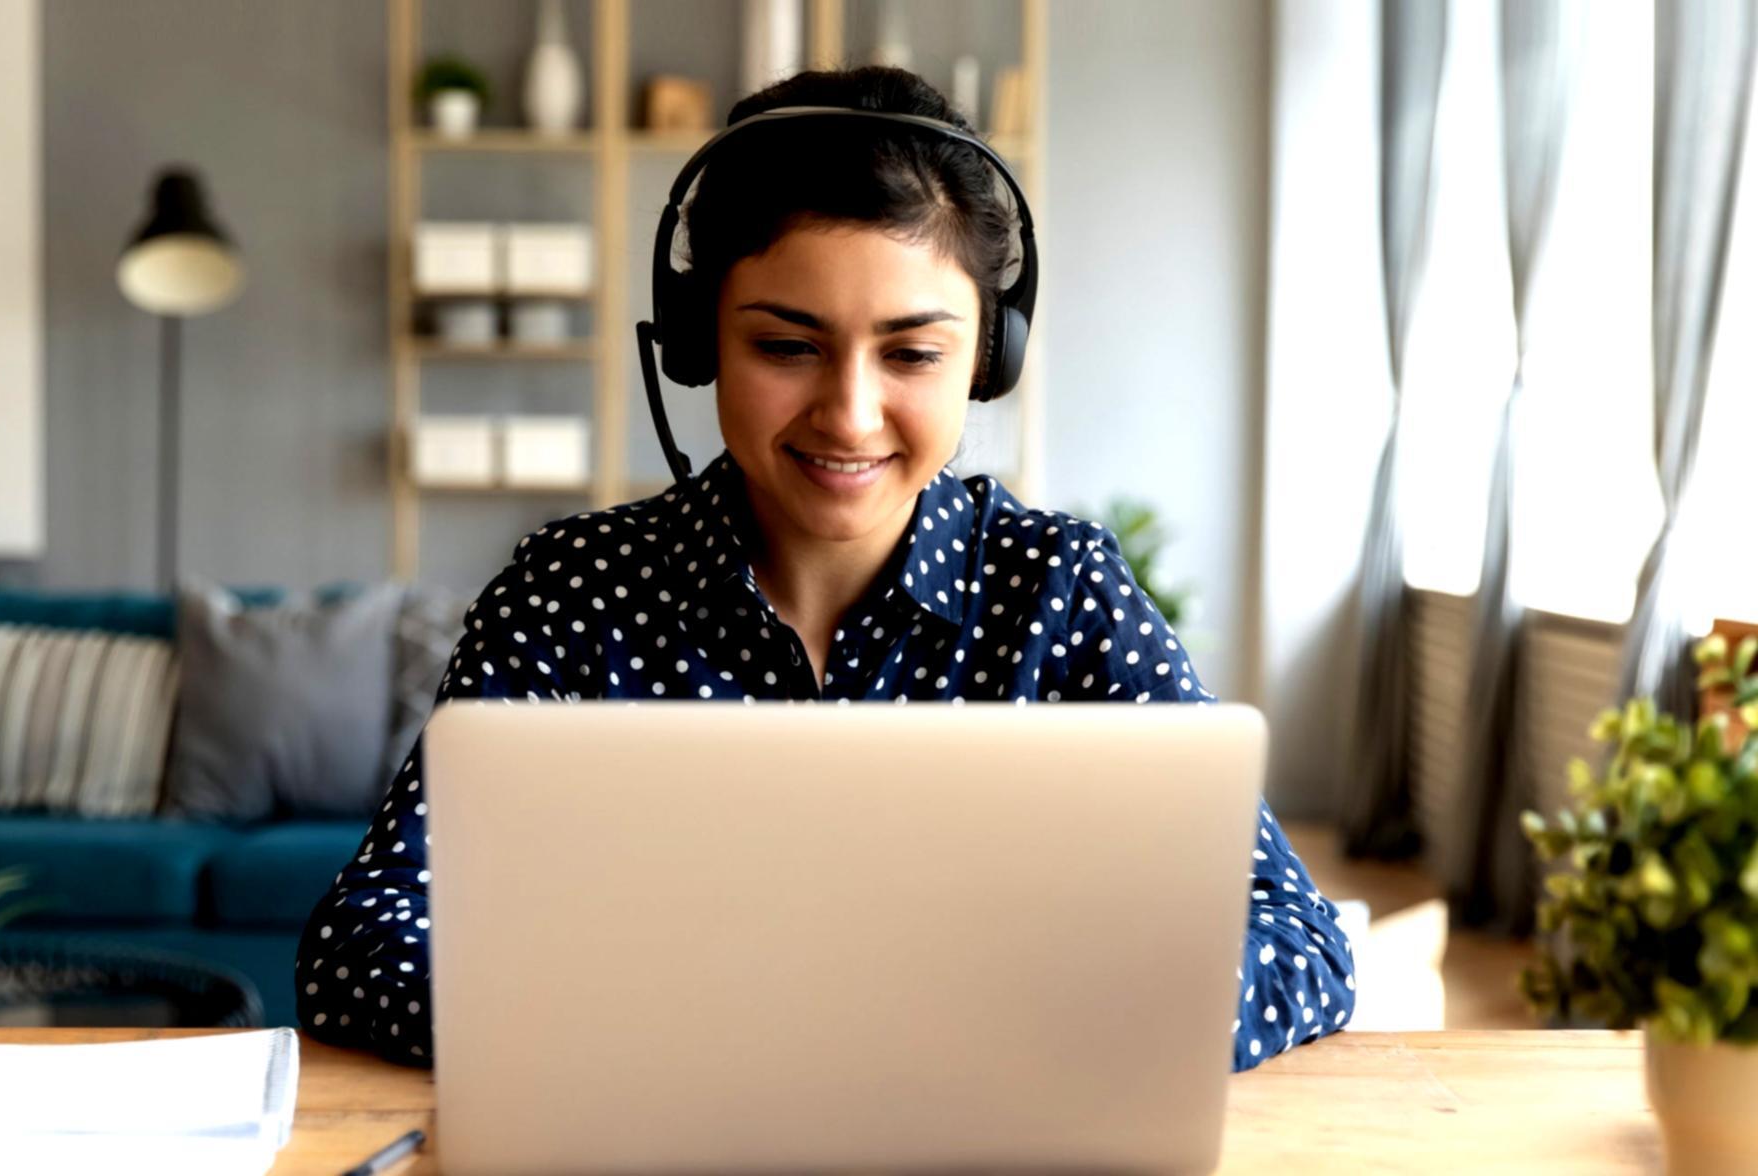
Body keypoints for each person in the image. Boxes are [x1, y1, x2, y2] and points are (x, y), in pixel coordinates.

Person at [296, 65, 1356, 1074]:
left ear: (990, 357)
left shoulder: (1058, 594)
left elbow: (1291, 935)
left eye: (912, 353)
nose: (850, 414)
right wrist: (701, 1037)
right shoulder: (571, 595)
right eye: (787, 346)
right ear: (696, 338)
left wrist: (1008, 1028)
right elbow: (362, 943)